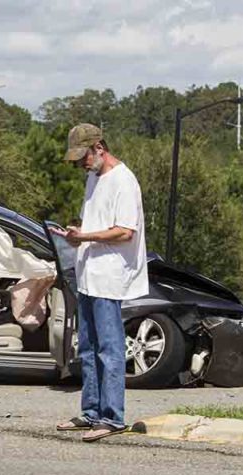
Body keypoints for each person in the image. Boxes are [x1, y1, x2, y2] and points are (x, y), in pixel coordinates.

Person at [53, 123, 148, 442]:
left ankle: (113, 415)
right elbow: (97, 224)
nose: (81, 164)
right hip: (89, 274)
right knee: (89, 346)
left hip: (109, 276)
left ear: (99, 148)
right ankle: (91, 411)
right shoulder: (94, 178)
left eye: (83, 157)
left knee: (109, 347)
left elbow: (125, 231)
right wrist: (75, 236)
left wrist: (86, 236)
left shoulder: (123, 180)